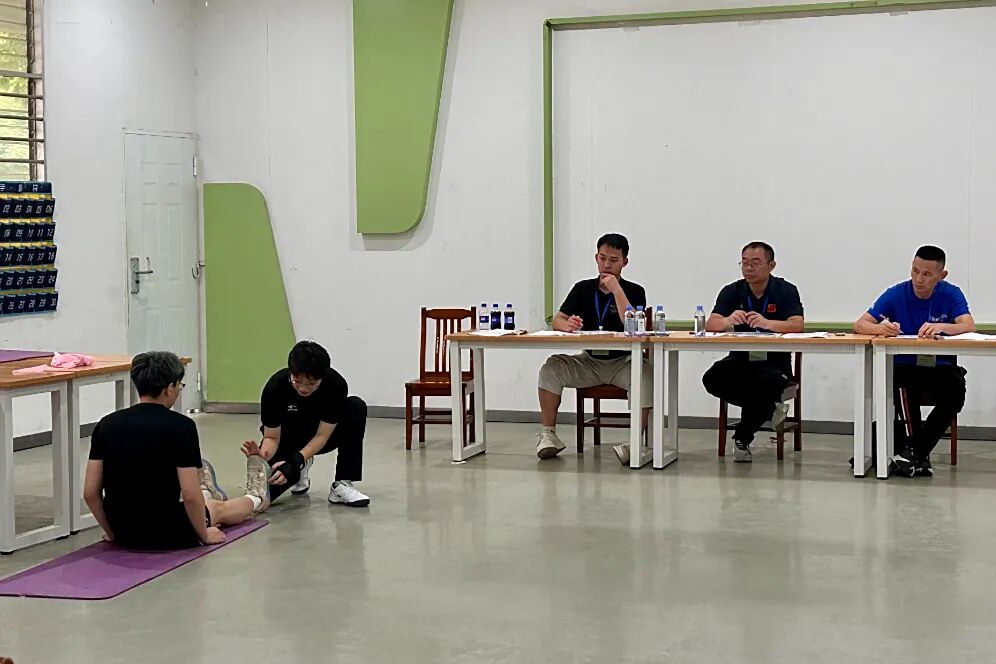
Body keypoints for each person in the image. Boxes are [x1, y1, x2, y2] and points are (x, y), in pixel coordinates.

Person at [83, 351, 270, 550]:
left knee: (201, 502)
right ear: (169, 388)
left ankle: (209, 493)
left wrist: (112, 532)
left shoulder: (106, 425)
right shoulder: (181, 426)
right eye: (180, 386)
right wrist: (204, 534)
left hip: (123, 529)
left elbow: (90, 492)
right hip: (168, 530)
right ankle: (256, 497)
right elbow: (189, 494)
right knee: (217, 509)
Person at [853, 245, 975, 477]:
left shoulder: (951, 293)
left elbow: (968, 326)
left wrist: (941, 326)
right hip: (906, 366)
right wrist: (880, 328)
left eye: (927, 274)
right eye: (915, 271)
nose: (919, 279)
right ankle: (917, 455)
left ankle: (913, 452)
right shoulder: (897, 293)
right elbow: (860, 324)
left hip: (940, 367)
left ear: (941, 275)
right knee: (901, 382)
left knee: (956, 391)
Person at [535, 233, 652, 463]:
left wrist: (617, 290)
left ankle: (635, 443)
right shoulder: (582, 288)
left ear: (625, 262)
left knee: (646, 374)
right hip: (588, 361)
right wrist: (567, 325)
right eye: (602, 258)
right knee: (551, 367)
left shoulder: (635, 290)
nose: (606, 264)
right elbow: (557, 320)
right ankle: (549, 435)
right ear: (596, 258)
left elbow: (633, 325)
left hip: (622, 362)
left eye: (614, 260)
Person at [702, 242, 805, 463]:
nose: (748, 268)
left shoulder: (785, 290)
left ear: (771, 265)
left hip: (774, 362)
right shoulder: (732, 291)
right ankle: (771, 409)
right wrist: (728, 321)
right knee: (712, 378)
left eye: (755, 263)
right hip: (740, 360)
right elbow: (711, 324)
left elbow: (797, 325)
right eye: (744, 263)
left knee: (766, 384)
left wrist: (768, 323)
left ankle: (742, 438)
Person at [245, 340, 370, 506]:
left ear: (321, 377)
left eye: (311, 383)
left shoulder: (335, 385)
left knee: (355, 406)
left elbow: (322, 436)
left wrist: (296, 460)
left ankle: (342, 484)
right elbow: (272, 437)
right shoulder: (275, 387)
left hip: (321, 437)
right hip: (288, 438)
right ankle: (301, 467)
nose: (303, 388)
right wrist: (264, 456)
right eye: (297, 381)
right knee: (265, 494)